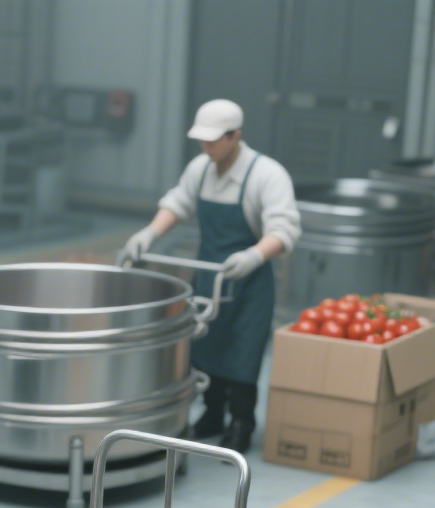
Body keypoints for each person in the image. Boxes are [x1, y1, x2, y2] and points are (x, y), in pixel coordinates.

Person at [117, 99, 301, 453]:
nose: (207, 147)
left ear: (235, 136)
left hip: (248, 282)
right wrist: (149, 233)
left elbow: (285, 228)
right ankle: (212, 413)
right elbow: (178, 203)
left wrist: (253, 255)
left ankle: (241, 423)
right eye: (202, 140)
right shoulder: (200, 168)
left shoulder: (266, 174)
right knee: (205, 344)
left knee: (244, 352)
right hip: (209, 274)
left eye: (215, 140)